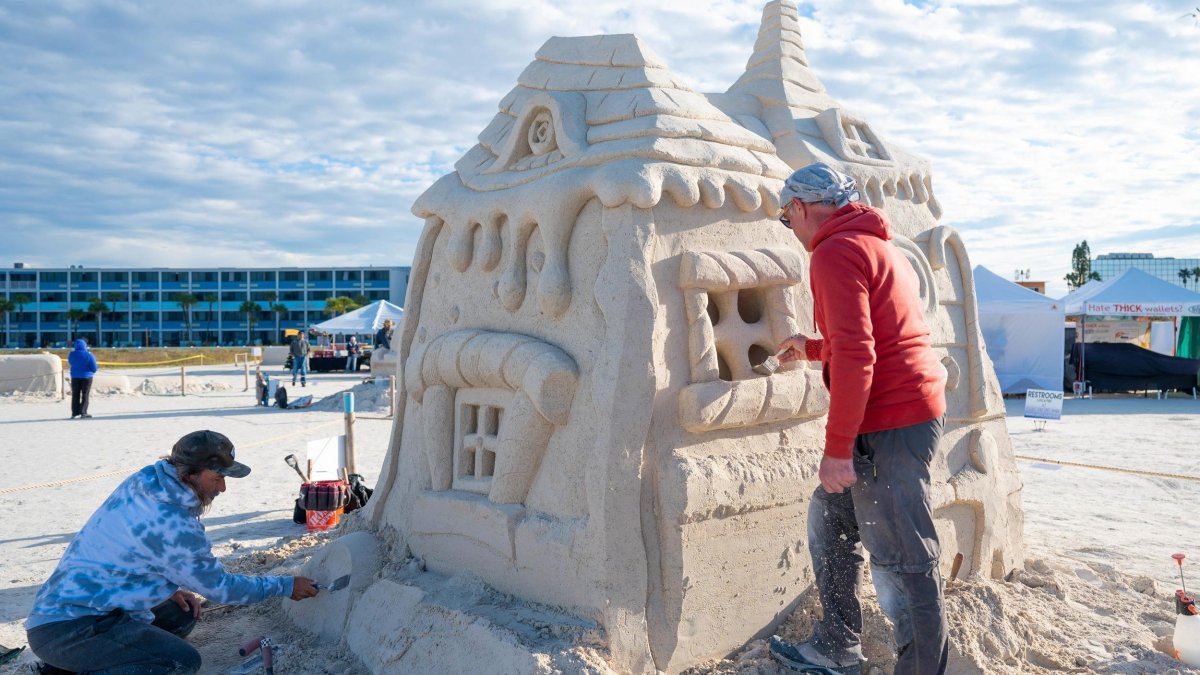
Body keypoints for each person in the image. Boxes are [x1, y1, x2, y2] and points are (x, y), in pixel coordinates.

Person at [769, 163, 948, 675]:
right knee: (829, 519)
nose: (791, 228)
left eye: (786, 218)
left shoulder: (833, 251)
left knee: (904, 562)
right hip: (903, 410)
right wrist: (811, 348)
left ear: (801, 208)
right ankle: (837, 643)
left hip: (890, 420)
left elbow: (857, 355)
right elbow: (871, 336)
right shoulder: (871, 243)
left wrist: (838, 448)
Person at [25, 430, 320, 674]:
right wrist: (285, 584)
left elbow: (128, 546)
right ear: (189, 473)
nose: (222, 488)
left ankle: (85, 660)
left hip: (80, 603)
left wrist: (161, 588)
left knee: (182, 614)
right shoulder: (174, 523)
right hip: (68, 628)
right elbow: (223, 589)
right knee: (180, 662)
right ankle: (66, 668)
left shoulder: (149, 479)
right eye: (216, 477)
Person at [67, 338, 97, 419]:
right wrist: (91, 371)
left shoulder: (71, 354)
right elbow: (94, 367)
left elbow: (70, 362)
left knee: (75, 395)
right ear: (85, 345)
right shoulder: (89, 354)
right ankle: (83, 412)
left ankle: (75, 413)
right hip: (86, 377)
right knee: (85, 394)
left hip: (75, 377)